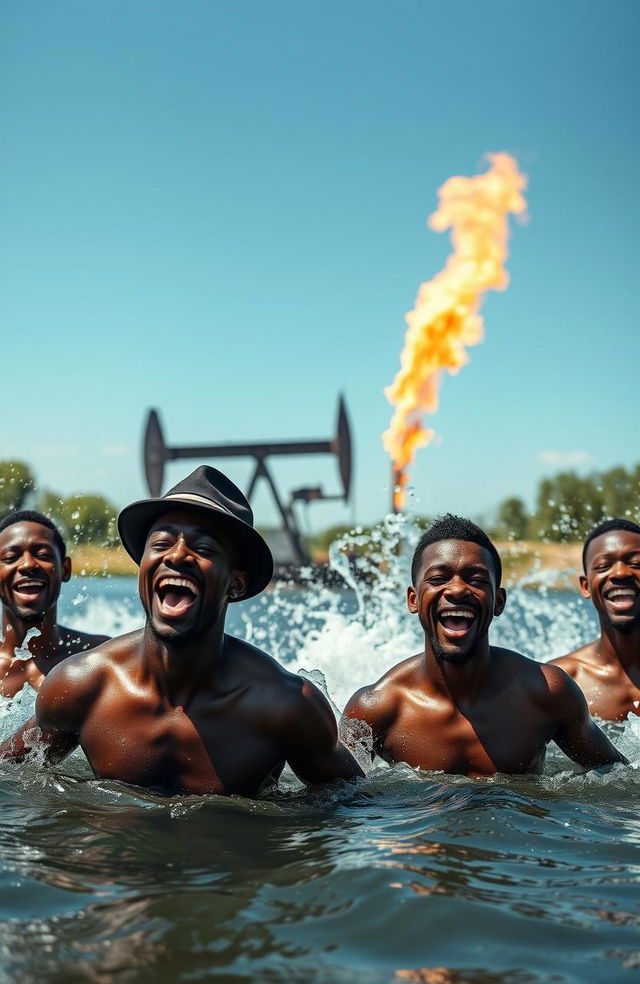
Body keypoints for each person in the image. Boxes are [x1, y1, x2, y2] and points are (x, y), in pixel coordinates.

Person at [1, 467, 363, 796]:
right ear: (143, 567)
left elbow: (352, 804)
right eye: (160, 544)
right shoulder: (82, 684)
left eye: (202, 547)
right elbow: (10, 776)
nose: (175, 556)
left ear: (235, 584)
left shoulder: (284, 705)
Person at [344, 514, 625, 776]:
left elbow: (620, 779)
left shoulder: (546, 692)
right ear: (413, 599)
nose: (456, 590)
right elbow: (338, 805)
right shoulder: (375, 709)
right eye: (439, 579)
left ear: (498, 602)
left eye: (476, 579)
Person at [0, 511, 109, 698]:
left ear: (65, 569)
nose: (27, 564)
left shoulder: (100, 657)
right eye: (11, 558)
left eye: (43, 554)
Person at [550, 518, 640, 721]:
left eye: (636, 563)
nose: (620, 573)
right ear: (585, 586)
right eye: (603, 566)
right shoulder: (561, 683)